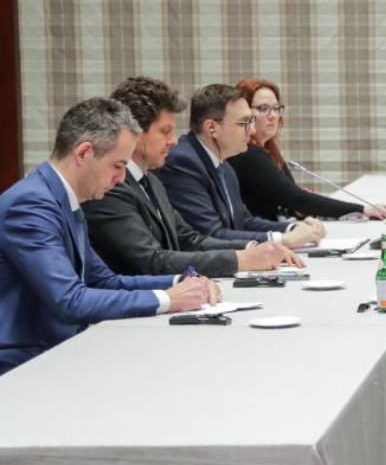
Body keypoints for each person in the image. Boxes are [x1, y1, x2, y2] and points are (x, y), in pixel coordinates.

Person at [0, 98, 217, 375]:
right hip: (22, 362)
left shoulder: (63, 199)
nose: (121, 178)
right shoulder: (30, 204)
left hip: (58, 348)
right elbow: (70, 300)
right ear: (84, 153)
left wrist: (183, 281)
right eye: (118, 165)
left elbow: (105, 280)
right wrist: (168, 298)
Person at [83, 77, 304, 277]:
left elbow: (190, 240)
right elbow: (151, 261)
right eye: (165, 131)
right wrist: (240, 259)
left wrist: (252, 249)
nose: (173, 140)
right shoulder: (111, 187)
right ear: (135, 133)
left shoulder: (151, 181)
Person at [155, 84, 325, 247]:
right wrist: (282, 239)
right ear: (212, 128)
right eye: (244, 123)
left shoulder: (224, 165)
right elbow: (210, 234)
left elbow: (243, 221)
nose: (251, 131)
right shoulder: (182, 163)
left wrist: (292, 228)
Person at [227, 78, 386, 221]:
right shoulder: (249, 154)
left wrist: (297, 210)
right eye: (263, 108)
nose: (272, 115)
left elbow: (286, 199)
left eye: (276, 108)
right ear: (245, 113)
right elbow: (296, 198)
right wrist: (363, 209)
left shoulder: (268, 150)